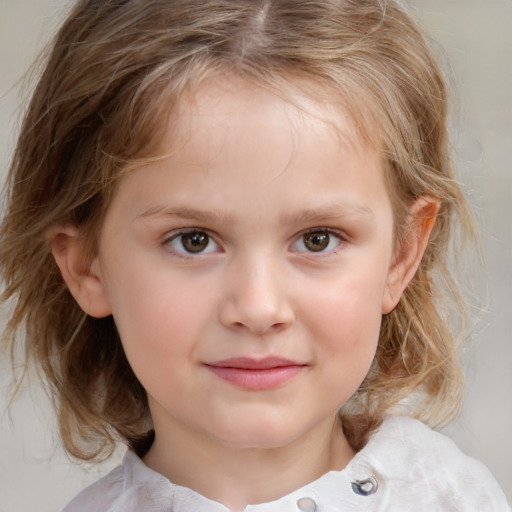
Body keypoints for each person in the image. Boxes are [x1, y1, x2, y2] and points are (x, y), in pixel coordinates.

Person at [0, 0, 509, 510]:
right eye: (193, 240)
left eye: (317, 239)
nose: (260, 308)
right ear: (87, 265)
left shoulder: (456, 500)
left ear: (401, 254)